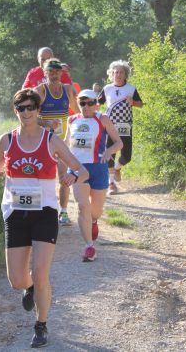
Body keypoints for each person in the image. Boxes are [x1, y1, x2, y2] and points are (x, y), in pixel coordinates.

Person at [0, 88, 89, 348]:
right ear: (15, 111)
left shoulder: (51, 140)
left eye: (30, 107)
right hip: (15, 212)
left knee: (40, 272)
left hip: (44, 212)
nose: (26, 112)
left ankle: (41, 325)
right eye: (20, 108)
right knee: (17, 280)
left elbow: (82, 169)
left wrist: (72, 176)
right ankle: (29, 288)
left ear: (37, 109)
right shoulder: (7, 139)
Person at [67, 89, 122, 261]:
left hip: (98, 168)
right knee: (82, 206)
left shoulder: (102, 119)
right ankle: (89, 247)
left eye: (90, 103)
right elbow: (65, 143)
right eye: (82, 103)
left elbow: (119, 142)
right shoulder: (72, 120)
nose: (86, 106)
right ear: (78, 103)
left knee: (95, 212)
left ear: (96, 104)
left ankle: (93, 221)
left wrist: (109, 151)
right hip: (77, 169)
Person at [33, 58, 80, 225]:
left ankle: (64, 212)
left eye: (57, 72)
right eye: (50, 72)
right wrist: (46, 123)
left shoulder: (68, 90)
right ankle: (39, 210)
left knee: (64, 177)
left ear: (61, 73)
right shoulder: (40, 91)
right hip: (44, 142)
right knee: (42, 178)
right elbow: (29, 117)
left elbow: (77, 112)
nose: (54, 75)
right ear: (45, 73)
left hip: (62, 142)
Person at [97, 60, 143, 194]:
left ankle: (117, 168)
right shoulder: (107, 89)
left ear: (125, 75)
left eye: (121, 72)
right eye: (115, 72)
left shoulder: (131, 88)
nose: (118, 74)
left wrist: (133, 102)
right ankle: (111, 183)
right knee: (109, 153)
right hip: (110, 125)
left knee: (127, 156)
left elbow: (140, 104)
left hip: (125, 125)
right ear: (111, 74)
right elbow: (97, 104)